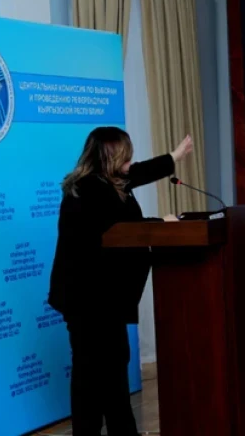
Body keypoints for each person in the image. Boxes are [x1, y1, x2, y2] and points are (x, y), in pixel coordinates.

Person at [48, 127, 193, 436]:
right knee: (93, 373)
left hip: (103, 297)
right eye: (126, 157)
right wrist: (162, 224)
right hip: (87, 298)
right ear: (109, 159)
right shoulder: (89, 189)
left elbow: (139, 173)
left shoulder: (106, 180)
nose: (131, 163)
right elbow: (122, 229)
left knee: (110, 367)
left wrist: (174, 156)